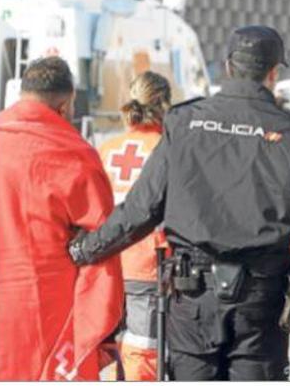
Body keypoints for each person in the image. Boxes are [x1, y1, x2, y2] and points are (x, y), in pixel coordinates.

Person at [69, 25, 290, 380]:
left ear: (227, 66)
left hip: (193, 298)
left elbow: (140, 210)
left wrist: (83, 250)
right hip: (261, 303)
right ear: (273, 72)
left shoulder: (184, 121)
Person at [0, 56, 123, 380]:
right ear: (65, 105)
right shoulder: (75, 155)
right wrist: (101, 324)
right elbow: (104, 244)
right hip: (49, 307)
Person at [96, 71, 171, 380]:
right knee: (144, 352)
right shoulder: (168, 150)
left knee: (110, 348)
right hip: (147, 267)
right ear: (166, 105)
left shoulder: (107, 148)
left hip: (108, 264)